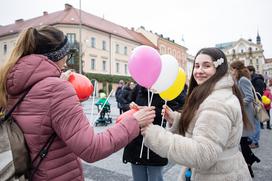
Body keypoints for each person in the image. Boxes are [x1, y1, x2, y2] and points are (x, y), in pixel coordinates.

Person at [0, 26, 156, 181]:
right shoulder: (56, 89)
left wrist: (68, 98)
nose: (66, 64)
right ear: (58, 56)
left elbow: (41, 115)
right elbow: (92, 149)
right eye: (67, 56)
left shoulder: (13, 83)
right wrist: (134, 122)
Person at [140, 47, 252, 181]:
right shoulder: (213, 94)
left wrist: (155, 134)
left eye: (207, 66)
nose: (199, 71)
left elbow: (203, 154)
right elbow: (206, 125)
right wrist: (177, 120)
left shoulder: (216, 103)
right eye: (197, 66)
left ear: (219, 69)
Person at [122, 84, 185, 181]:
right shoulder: (139, 88)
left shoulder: (166, 89)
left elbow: (175, 110)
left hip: (156, 144)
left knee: (155, 178)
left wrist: (151, 112)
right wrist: (131, 107)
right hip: (136, 144)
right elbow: (126, 103)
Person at [230, 60, 260, 177]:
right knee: (242, 141)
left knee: (242, 141)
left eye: (232, 69)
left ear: (237, 69)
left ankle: (249, 164)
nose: (231, 71)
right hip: (243, 114)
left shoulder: (243, 80)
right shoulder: (238, 80)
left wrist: (237, 103)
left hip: (246, 115)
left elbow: (249, 97)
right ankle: (251, 159)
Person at [247, 65, 266, 129]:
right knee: (255, 119)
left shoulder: (257, 79)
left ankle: (255, 139)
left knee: (256, 120)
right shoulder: (253, 79)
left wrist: (255, 100)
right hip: (254, 101)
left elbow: (259, 92)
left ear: (251, 71)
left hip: (256, 101)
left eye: (247, 71)